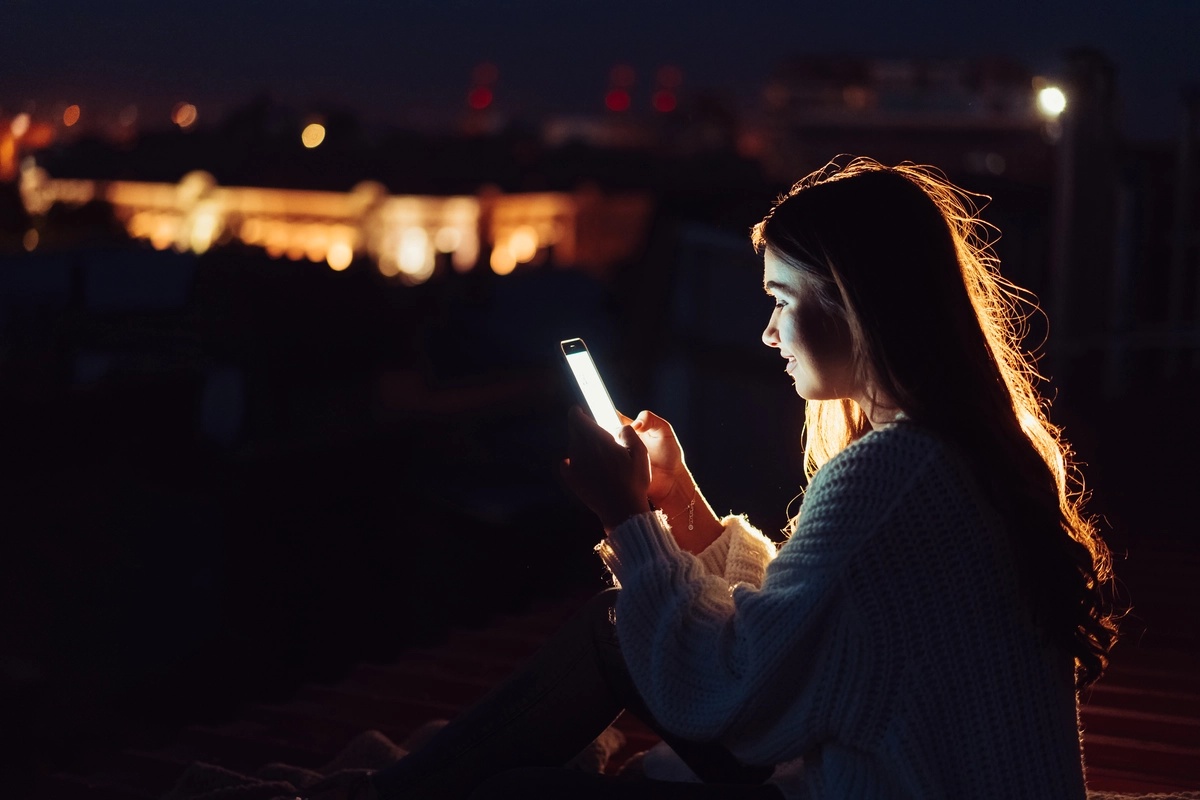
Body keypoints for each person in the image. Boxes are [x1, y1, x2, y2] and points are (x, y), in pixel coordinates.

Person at [335, 156, 1119, 799]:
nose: (768, 332)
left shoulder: (898, 470)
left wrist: (628, 521)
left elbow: (733, 695)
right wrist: (684, 509)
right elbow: (819, 640)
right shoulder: (961, 451)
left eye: (783, 300)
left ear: (854, 304)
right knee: (610, 648)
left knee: (525, 781)